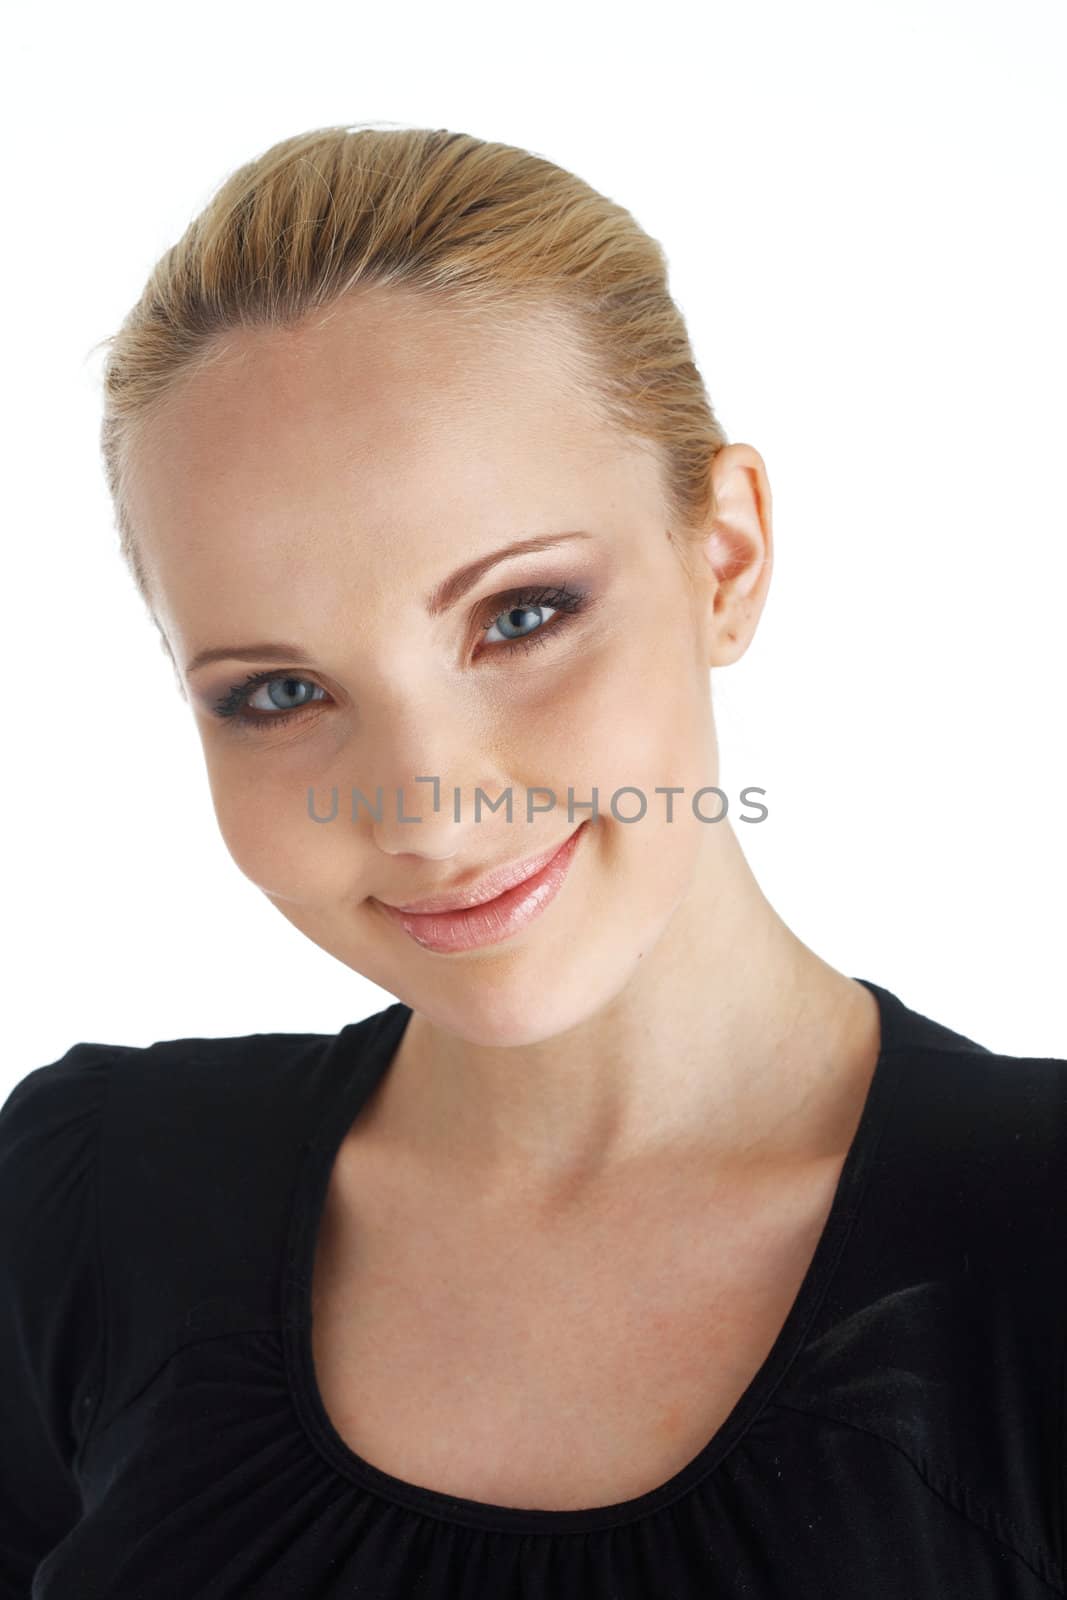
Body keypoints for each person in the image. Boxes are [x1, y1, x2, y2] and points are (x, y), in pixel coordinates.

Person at [1, 123, 1064, 1600]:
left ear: (727, 557)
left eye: (519, 616)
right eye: (277, 693)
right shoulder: (87, 1205)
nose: (426, 813)